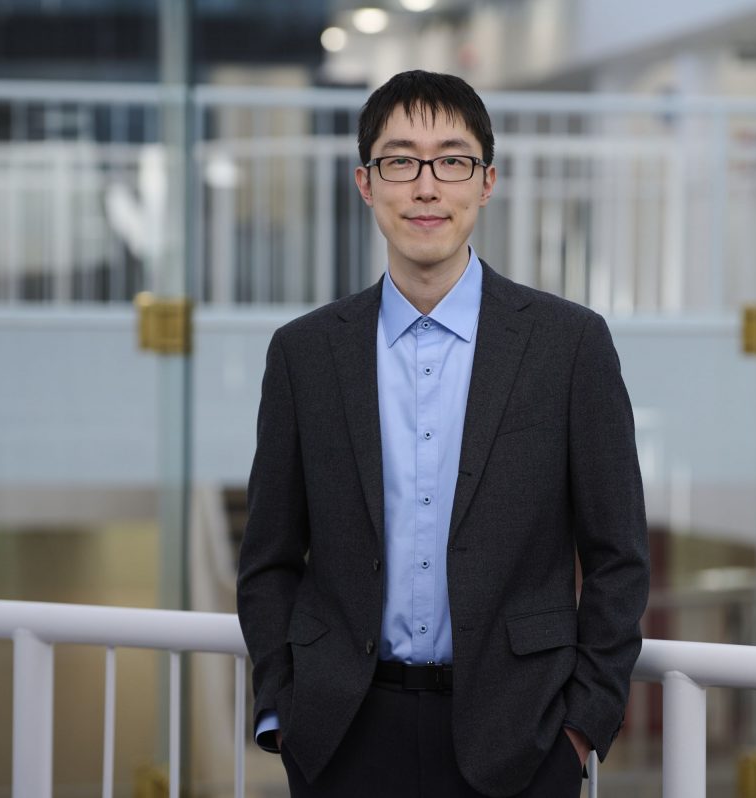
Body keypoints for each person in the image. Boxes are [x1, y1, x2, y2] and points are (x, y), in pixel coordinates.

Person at [237, 69, 649, 798]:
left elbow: (618, 556)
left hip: (521, 739)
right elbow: (267, 558)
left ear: (486, 182)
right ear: (366, 183)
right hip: (341, 738)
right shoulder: (304, 354)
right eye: (400, 161)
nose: (426, 187)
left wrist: (580, 728)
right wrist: (285, 711)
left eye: (452, 160)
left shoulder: (569, 345)